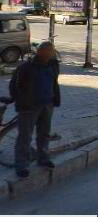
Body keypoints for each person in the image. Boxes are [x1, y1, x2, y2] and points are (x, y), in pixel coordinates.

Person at [9, 41, 61, 178]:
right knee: (25, 136)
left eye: (51, 52)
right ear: (39, 52)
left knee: (44, 134)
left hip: (47, 104)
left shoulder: (53, 65)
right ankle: (22, 165)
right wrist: (22, 103)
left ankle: (43, 158)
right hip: (29, 107)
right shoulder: (26, 67)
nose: (49, 54)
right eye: (46, 52)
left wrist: (54, 99)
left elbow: (54, 83)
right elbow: (14, 86)